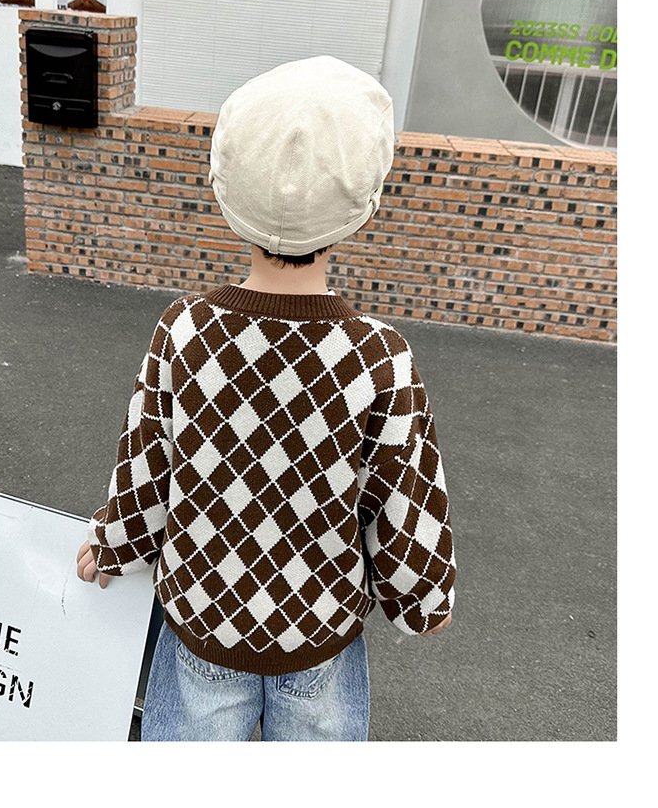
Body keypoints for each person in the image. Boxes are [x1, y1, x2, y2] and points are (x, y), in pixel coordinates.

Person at [76, 56, 456, 741]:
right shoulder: (378, 357)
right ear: (364, 205)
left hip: (203, 617)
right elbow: (402, 495)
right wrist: (422, 595)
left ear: (226, 190)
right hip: (316, 629)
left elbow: (147, 465)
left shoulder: (184, 330)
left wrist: (113, 544)